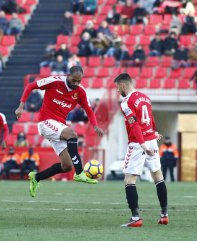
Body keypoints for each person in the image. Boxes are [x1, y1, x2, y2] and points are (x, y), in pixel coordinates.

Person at [15, 66, 104, 197]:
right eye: (74, 80)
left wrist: (95, 126)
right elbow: (30, 86)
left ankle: (37, 177)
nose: (76, 84)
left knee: (67, 165)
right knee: (72, 134)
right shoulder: (54, 81)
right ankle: (80, 173)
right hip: (45, 122)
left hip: (59, 126)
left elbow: (89, 111)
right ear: (68, 76)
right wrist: (21, 106)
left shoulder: (80, 91)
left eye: (79, 81)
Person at [113, 73, 168, 227]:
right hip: (151, 140)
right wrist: (153, 133)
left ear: (123, 85)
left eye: (118, 87)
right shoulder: (145, 97)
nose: (118, 91)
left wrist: (142, 144)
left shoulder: (126, 102)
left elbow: (135, 124)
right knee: (158, 176)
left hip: (138, 143)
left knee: (129, 180)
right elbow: (150, 119)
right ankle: (164, 215)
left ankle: (136, 218)